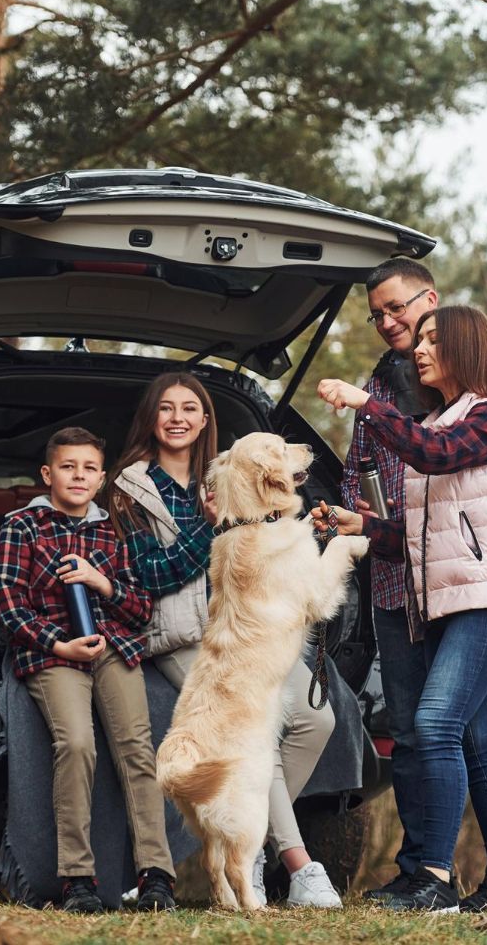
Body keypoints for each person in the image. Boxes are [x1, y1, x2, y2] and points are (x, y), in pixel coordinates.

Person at [341, 259, 487, 907]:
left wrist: (481, 541)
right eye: (376, 314)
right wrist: (358, 524)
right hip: (407, 590)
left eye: (397, 309)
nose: (389, 323)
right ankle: (440, 873)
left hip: (479, 588)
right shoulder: (407, 400)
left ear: (430, 302)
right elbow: (370, 476)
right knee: (423, 734)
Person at [106, 372, 343, 909]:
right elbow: (149, 576)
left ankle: (247, 839)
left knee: (317, 720)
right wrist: (209, 530)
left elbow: (274, 526)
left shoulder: (230, 473)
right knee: (254, 739)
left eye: (190, 408)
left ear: (205, 420)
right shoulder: (129, 489)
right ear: (151, 418)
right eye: (166, 408)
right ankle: (292, 862)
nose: (178, 418)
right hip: (187, 634)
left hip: (252, 628)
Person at [0, 426, 177, 913]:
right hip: (54, 650)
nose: (79, 475)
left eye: (89, 468)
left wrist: (101, 582)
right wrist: (61, 645)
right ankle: (78, 880)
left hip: (112, 644)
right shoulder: (22, 527)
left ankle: (156, 875)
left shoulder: (113, 530)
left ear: (101, 478)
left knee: (137, 748)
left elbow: (140, 610)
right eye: (69, 467)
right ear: (48, 474)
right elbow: (10, 606)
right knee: (75, 743)